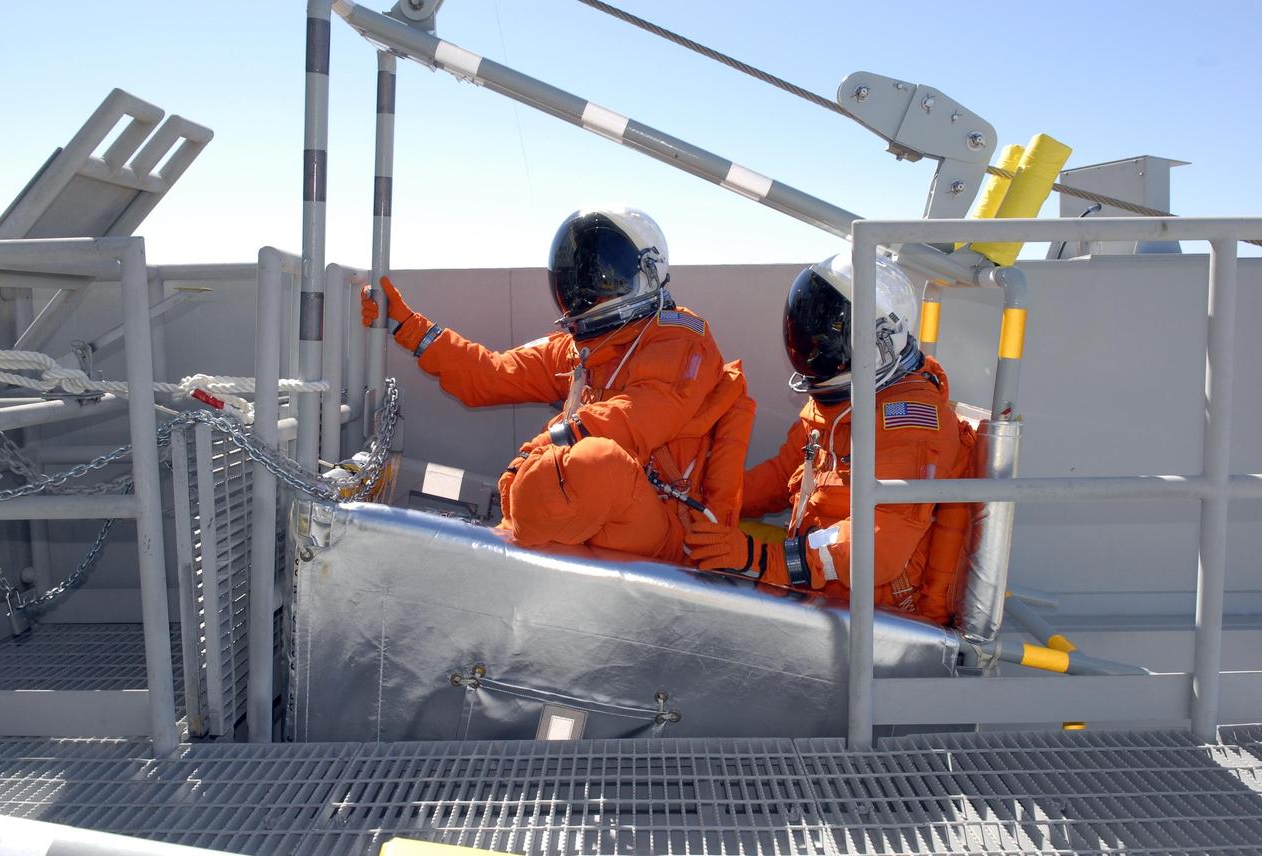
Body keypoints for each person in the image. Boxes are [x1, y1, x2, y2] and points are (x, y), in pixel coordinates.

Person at [362, 206, 754, 563]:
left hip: (670, 531)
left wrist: (539, 451)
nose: (587, 289)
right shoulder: (581, 348)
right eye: (580, 276)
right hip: (603, 513)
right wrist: (408, 327)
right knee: (563, 479)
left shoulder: (683, 343)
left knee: (591, 465)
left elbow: (632, 419)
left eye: (602, 276)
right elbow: (492, 375)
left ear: (647, 273)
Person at [684, 251, 973, 624]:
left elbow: (876, 546)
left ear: (877, 340)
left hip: (877, 614)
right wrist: (706, 499)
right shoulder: (837, 407)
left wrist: (761, 559)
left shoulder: (910, 423)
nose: (814, 345)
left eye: (826, 334)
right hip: (819, 583)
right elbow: (780, 475)